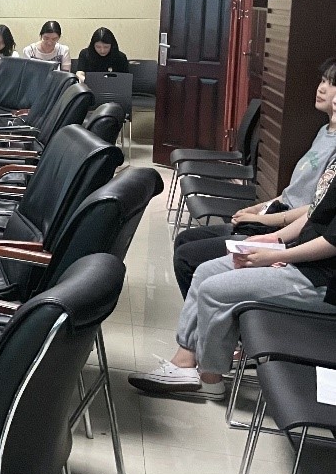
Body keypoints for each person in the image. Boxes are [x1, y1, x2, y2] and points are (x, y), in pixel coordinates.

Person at [128, 145, 336, 400]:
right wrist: (273, 240)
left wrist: (277, 256)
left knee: (214, 291)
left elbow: (331, 243)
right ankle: (184, 361)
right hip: (297, 256)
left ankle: (210, 379)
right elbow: (313, 214)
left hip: (320, 281)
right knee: (205, 272)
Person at [172, 62, 336, 297]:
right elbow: (292, 193)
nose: (322, 88)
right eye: (322, 81)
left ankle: (212, 307)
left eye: (332, 84)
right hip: (277, 219)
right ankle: (201, 308)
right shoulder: (323, 132)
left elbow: (314, 210)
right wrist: (258, 209)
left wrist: (264, 223)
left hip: (287, 228)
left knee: (188, 259)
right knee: (185, 241)